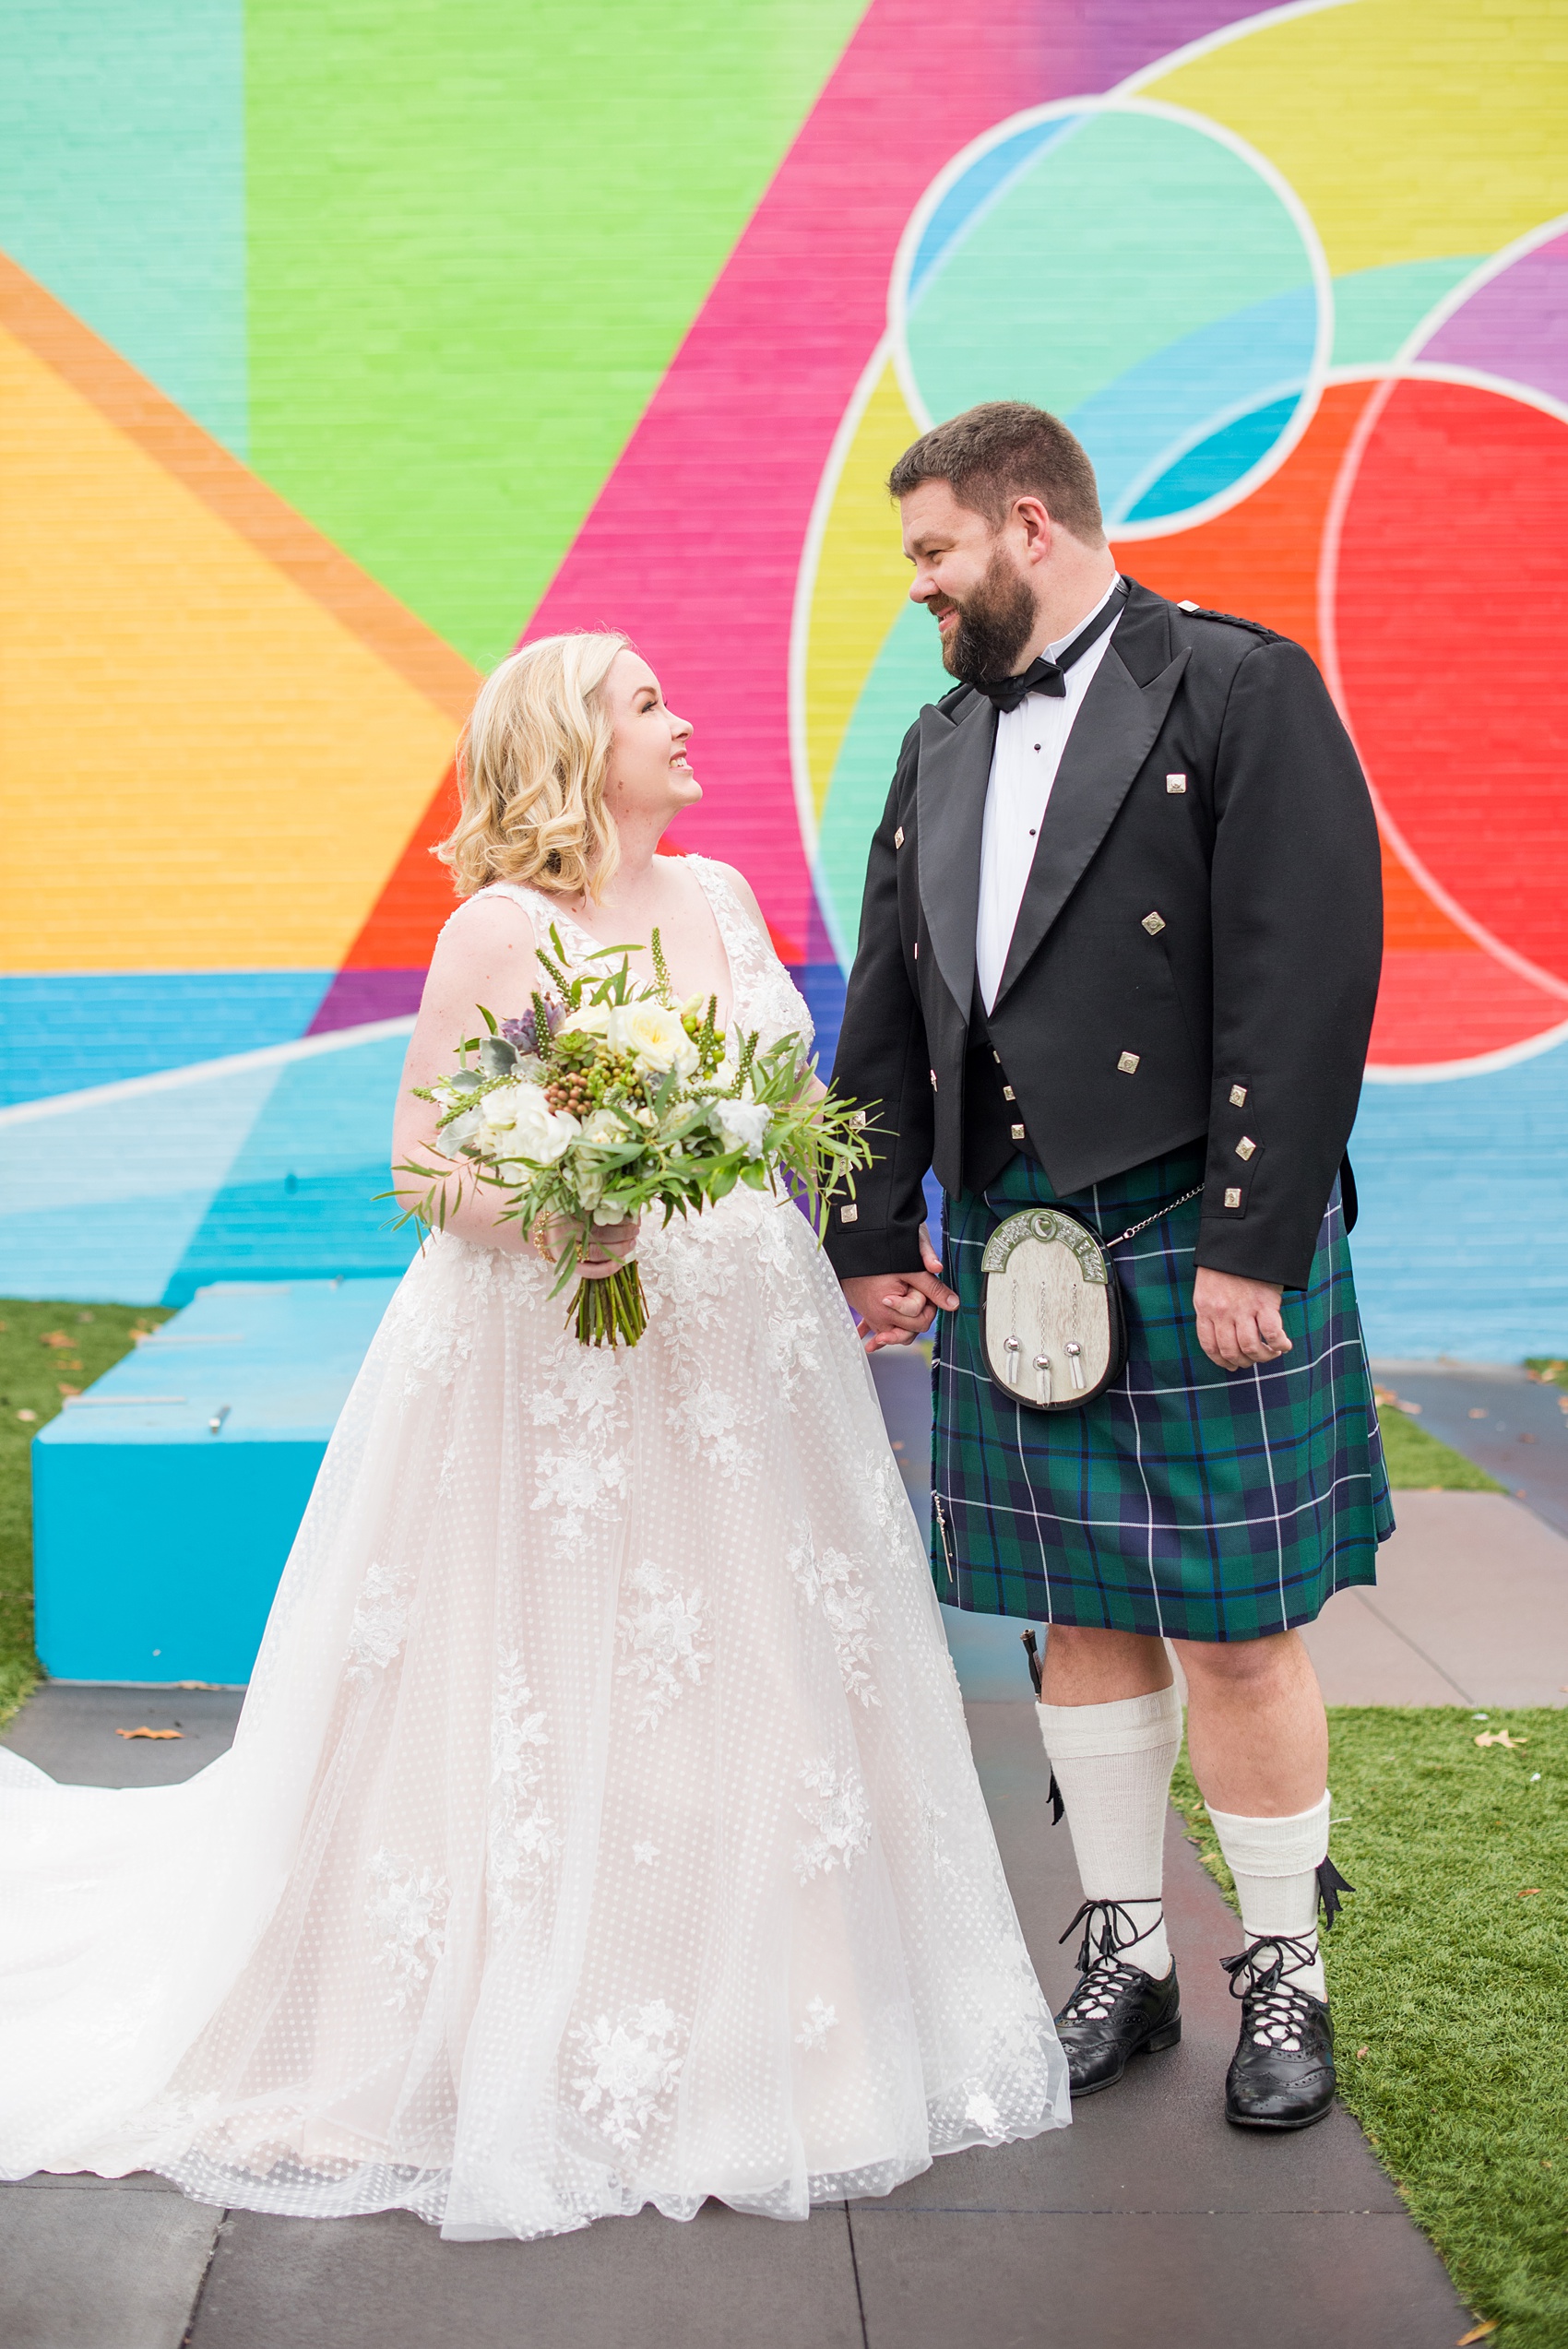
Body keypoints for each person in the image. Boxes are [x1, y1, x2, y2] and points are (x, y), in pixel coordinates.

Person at [0, 632, 1067, 2238]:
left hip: (742, 1346)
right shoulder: (499, 931)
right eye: (649, 702)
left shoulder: (715, 899)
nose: (683, 715)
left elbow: (787, 1109)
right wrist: (561, 1213)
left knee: (757, 1651)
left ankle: (776, 2024)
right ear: (576, 746)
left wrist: (845, 1259)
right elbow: (427, 1159)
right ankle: (525, 2018)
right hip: (560, 1344)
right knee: (550, 1658)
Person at [825, 403, 1391, 2131]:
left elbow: (1307, 975)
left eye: (934, 554)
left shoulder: (1233, 686)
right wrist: (873, 1228)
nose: (920, 588)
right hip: (1019, 1239)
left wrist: (1253, 1234)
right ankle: (1124, 1955)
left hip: (1184, 1224)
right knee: (1077, 1614)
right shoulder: (937, 745)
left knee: (1235, 1629)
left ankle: (1282, 1970)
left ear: (1028, 524)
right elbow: (893, 1003)